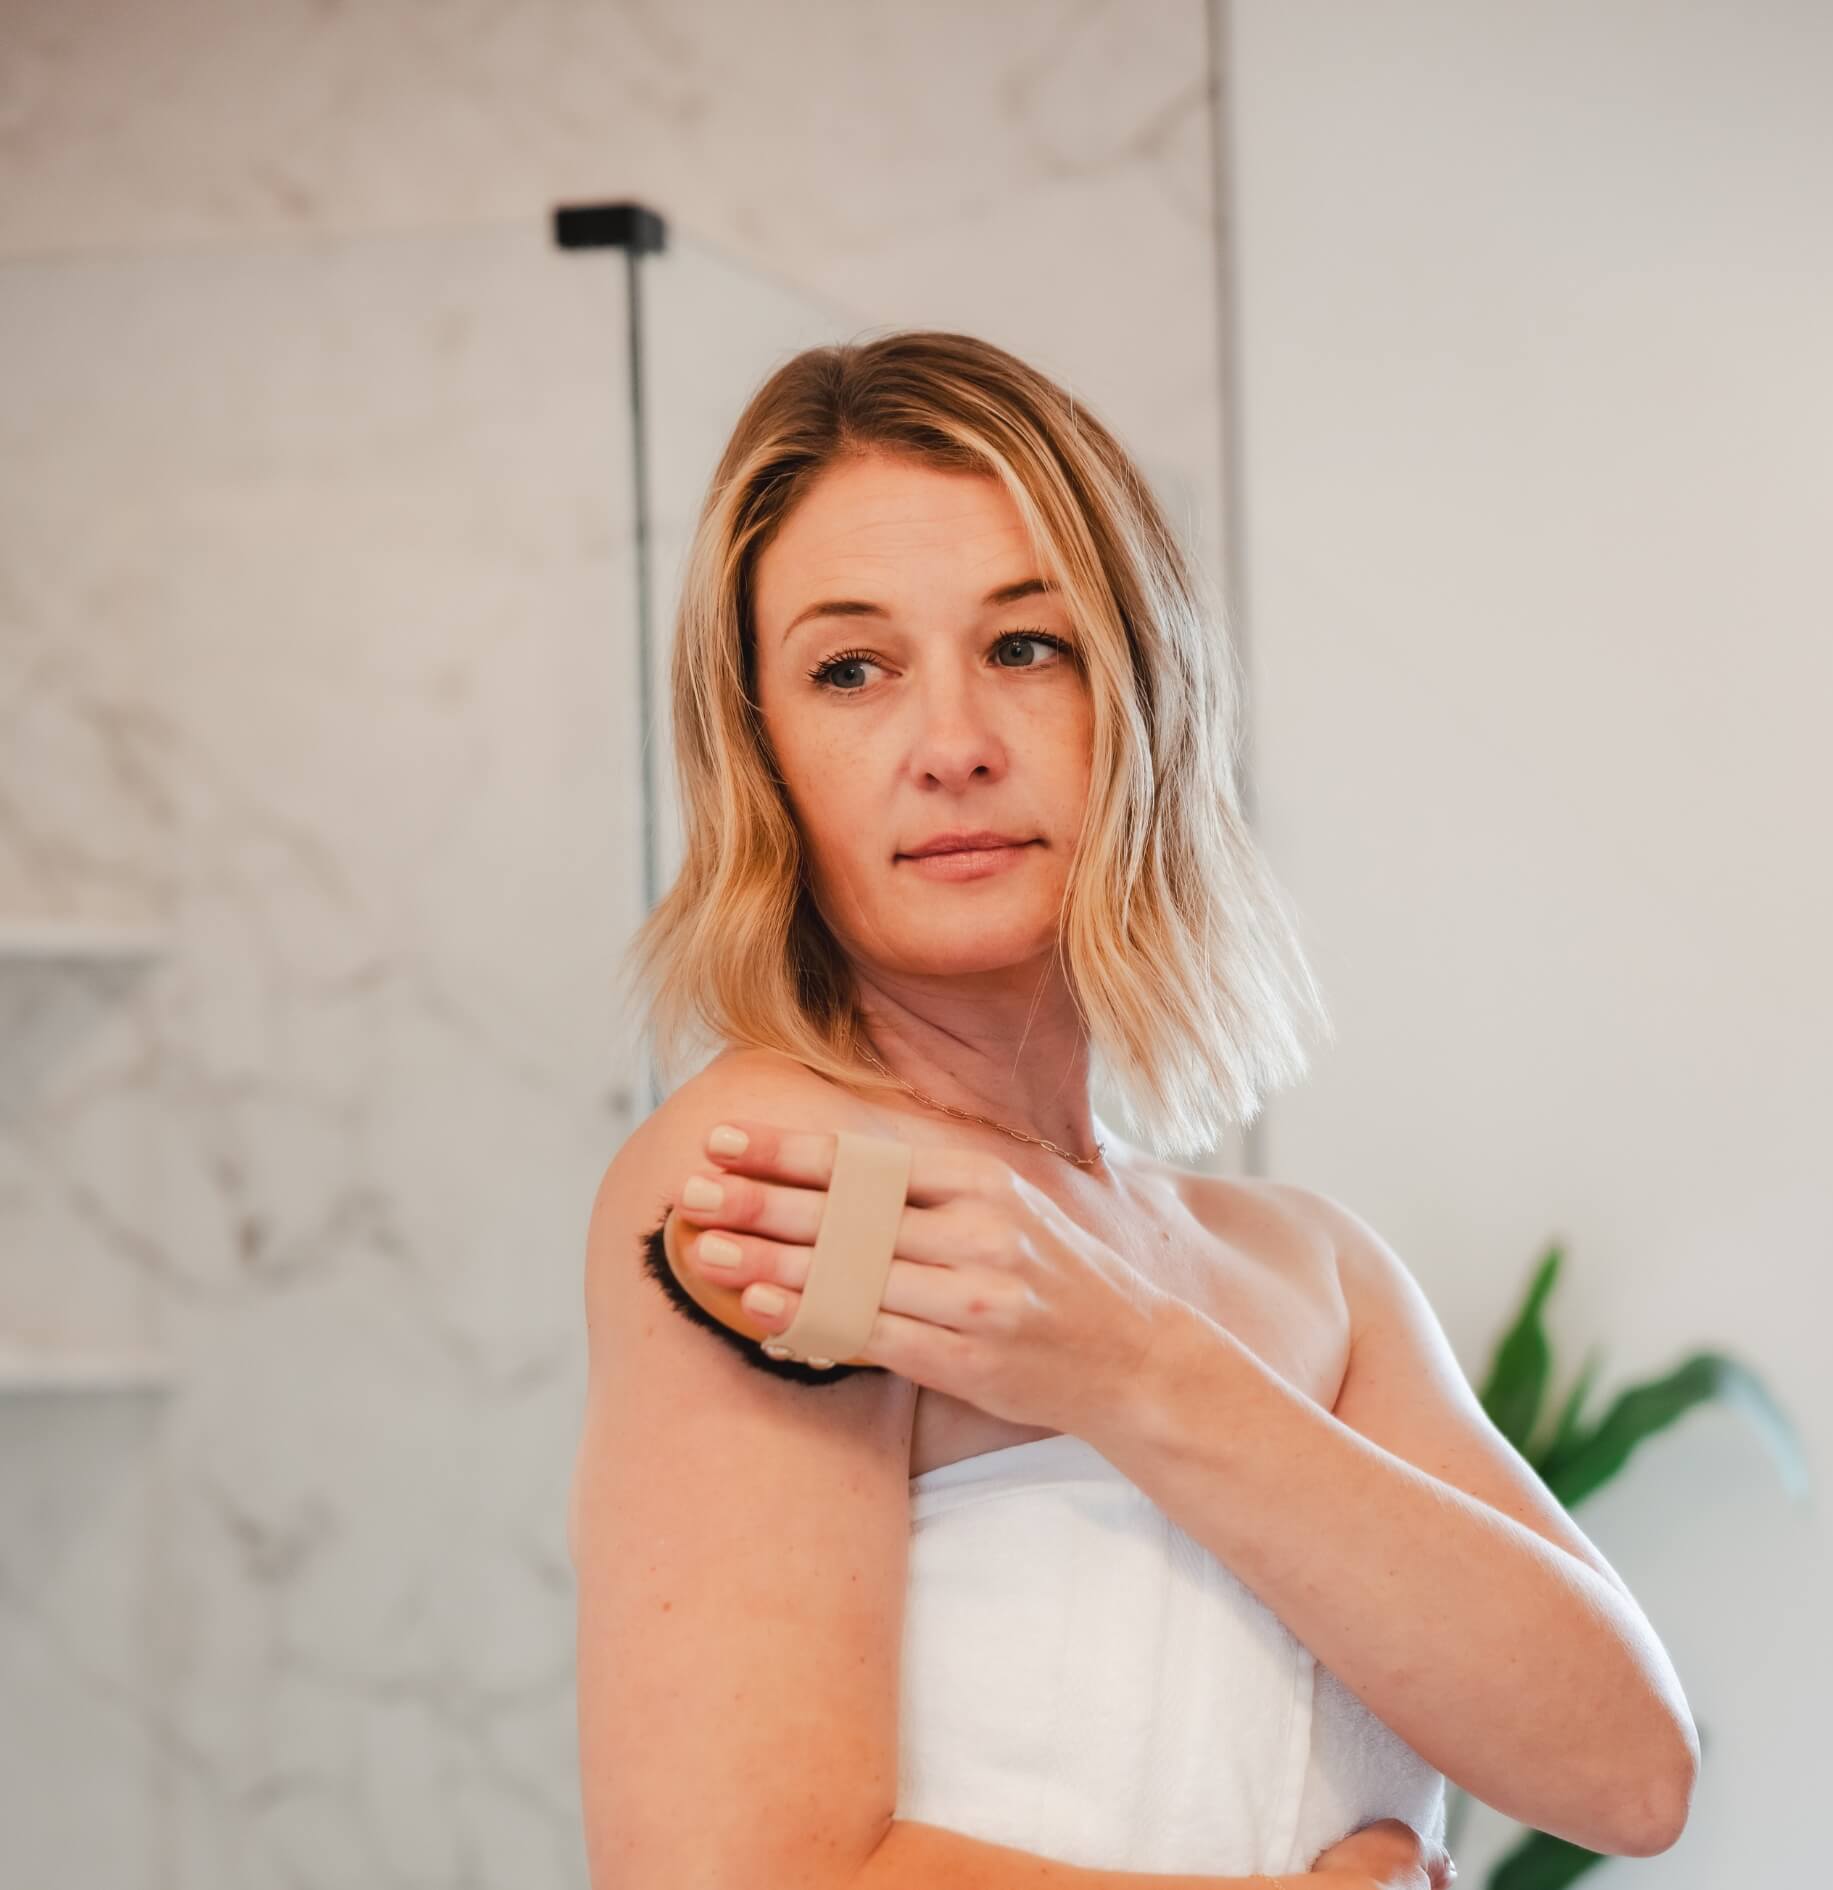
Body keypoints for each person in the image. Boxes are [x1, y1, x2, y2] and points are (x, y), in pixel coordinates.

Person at [569, 331, 1695, 1889]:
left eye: (1028, 647)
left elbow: (1627, 1771)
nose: (951, 743)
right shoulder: (801, 1177)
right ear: (762, 753)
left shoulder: (1307, 1268)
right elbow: (735, 1878)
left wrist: (1136, 1365)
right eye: (850, 668)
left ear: (1146, 696)